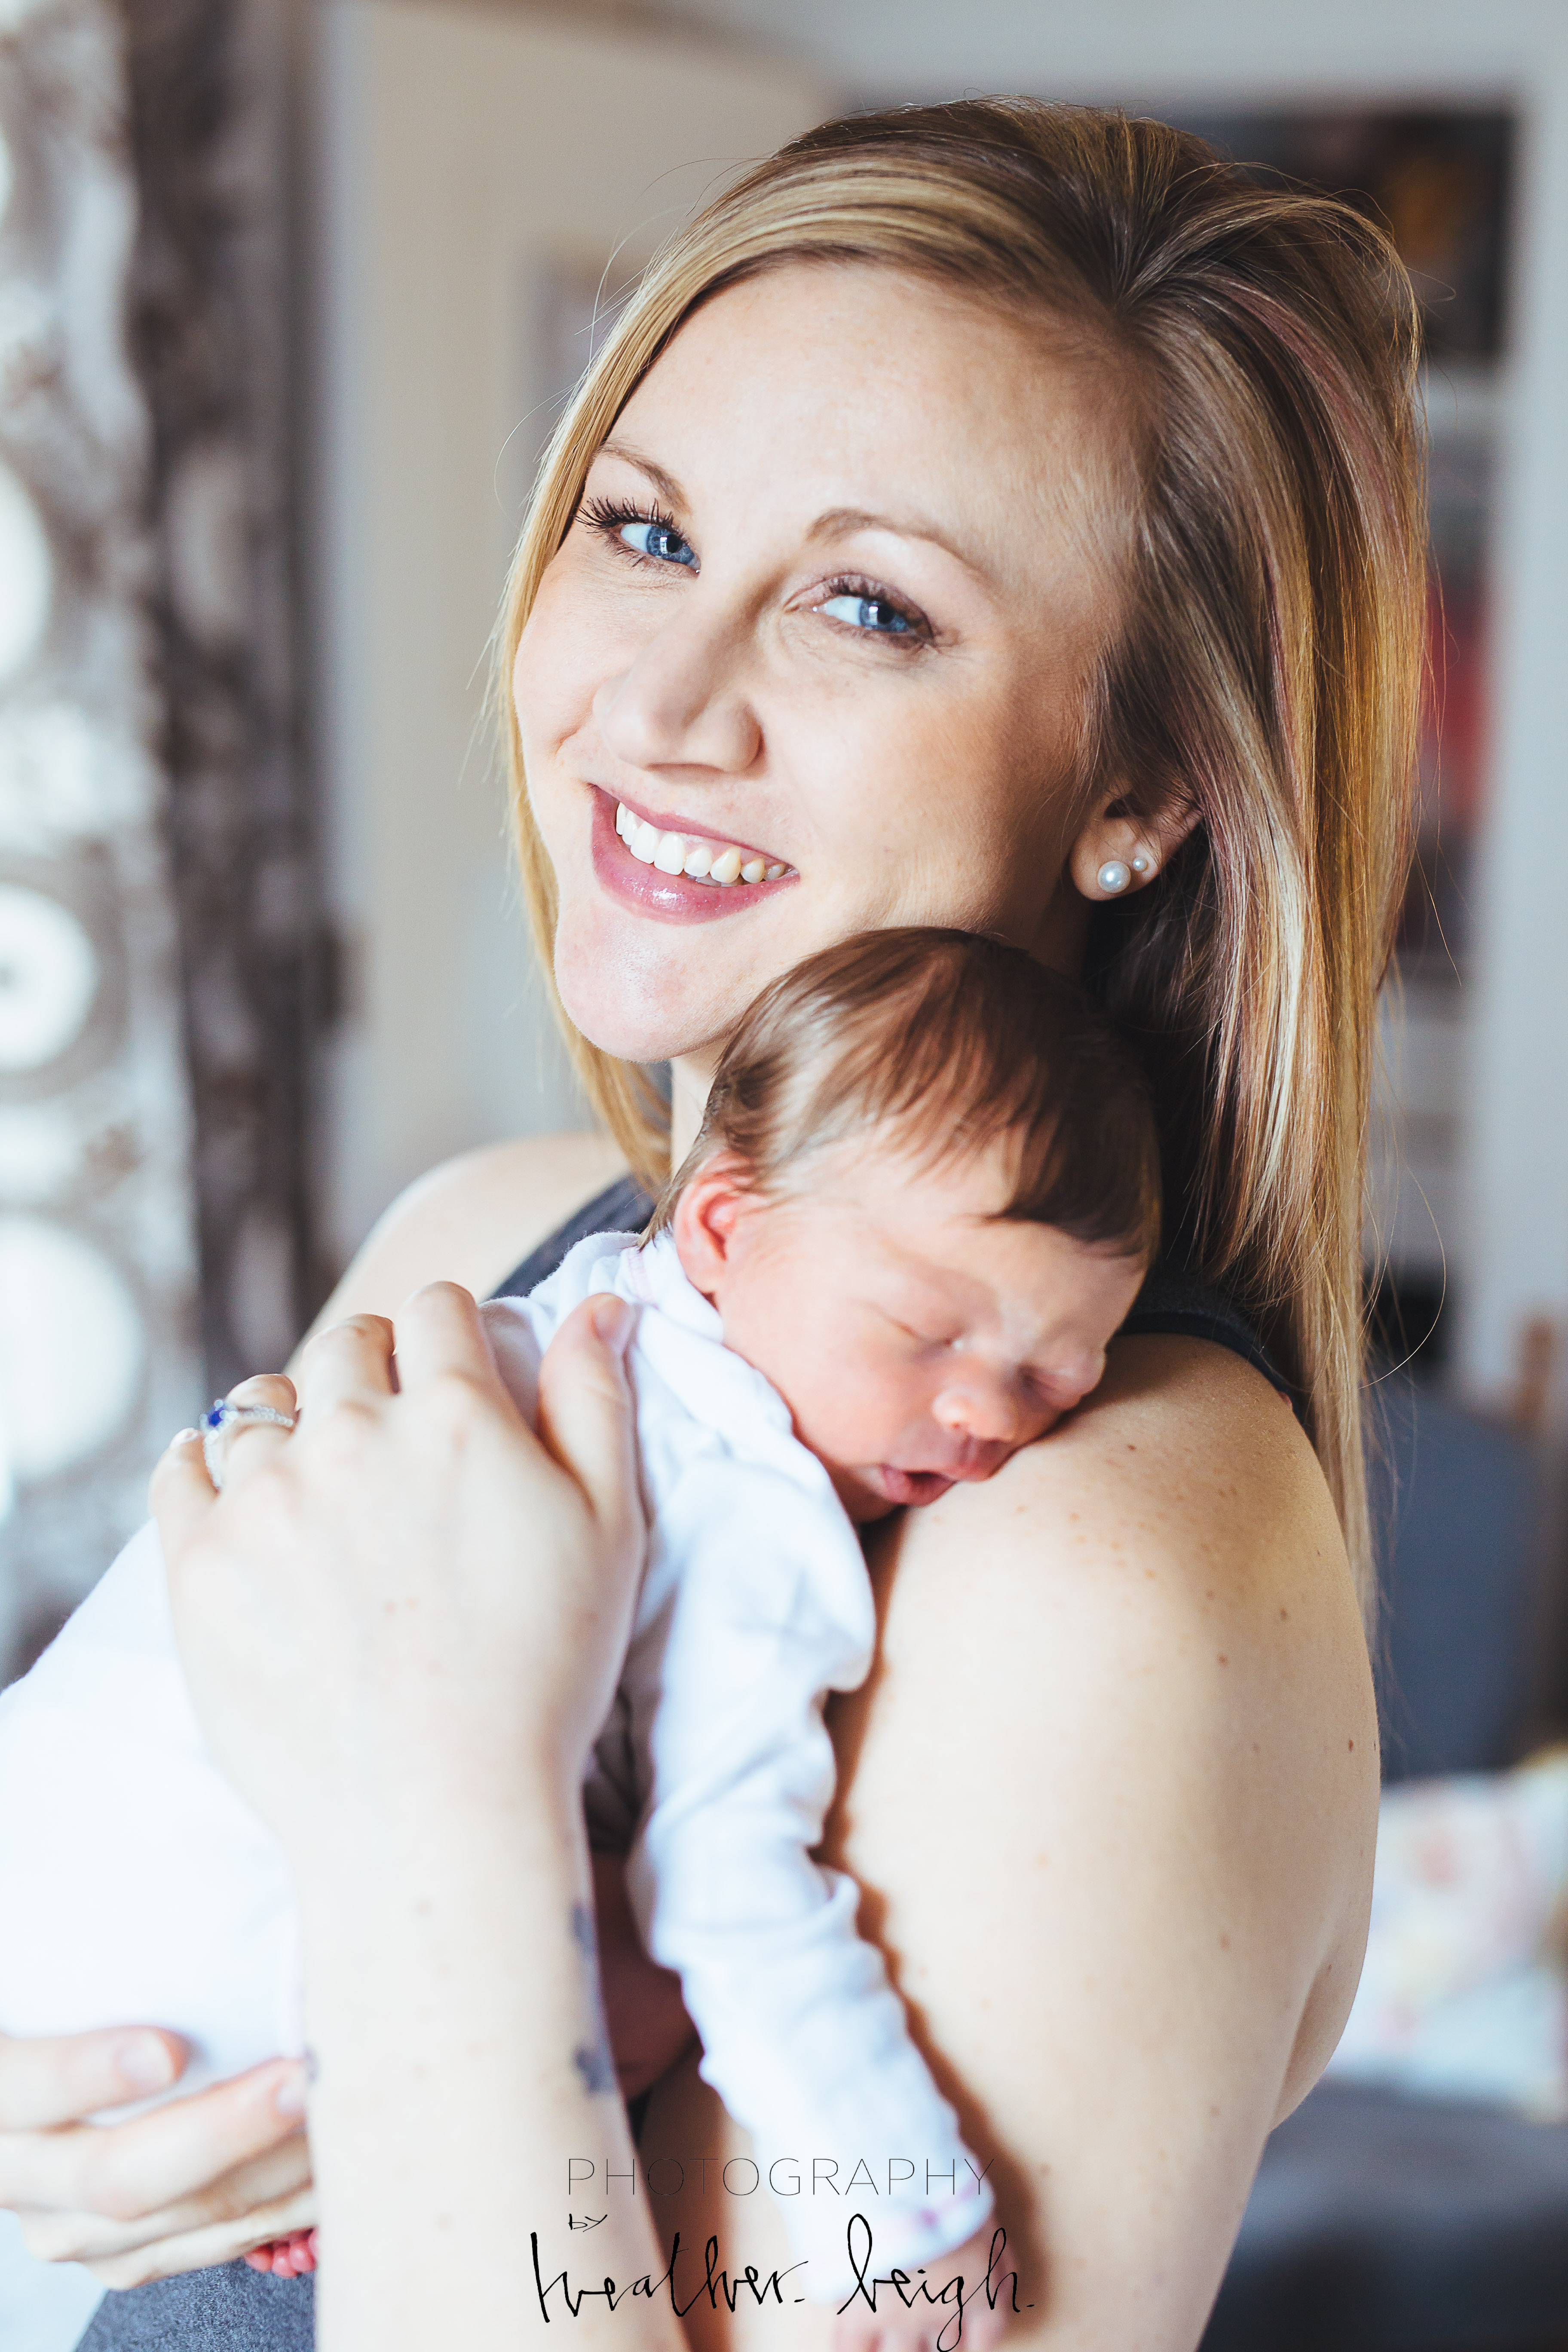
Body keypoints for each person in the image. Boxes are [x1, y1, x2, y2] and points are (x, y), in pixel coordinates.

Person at [0, 97, 1418, 2350]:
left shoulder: (1104, 1550)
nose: (654, 707)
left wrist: (436, 1825)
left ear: (1141, 788)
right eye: (644, 529)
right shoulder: (494, 1229)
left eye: (869, 606)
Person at [0, 929, 1155, 2329]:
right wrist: (908, 2208)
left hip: (58, 1892)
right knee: (661, 1972)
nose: (984, 1415)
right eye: (925, 1333)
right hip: (209, 1989)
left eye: (1055, 1379)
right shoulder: (756, 1500)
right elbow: (724, 1882)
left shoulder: (579, 1301)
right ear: (722, 1228)